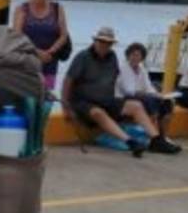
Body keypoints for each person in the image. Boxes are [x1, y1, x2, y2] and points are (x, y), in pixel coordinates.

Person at [62, 28, 181, 156]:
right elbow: (68, 82)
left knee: (136, 105)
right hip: (84, 102)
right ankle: (130, 142)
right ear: (95, 41)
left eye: (108, 43)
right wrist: (66, 107)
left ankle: (156, 140)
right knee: (98, 112)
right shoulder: (83, 57)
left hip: (106, 100)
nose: (104, 45)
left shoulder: (112, 57)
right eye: (101, 41)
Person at [12, 0, 69, 91]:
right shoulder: (22, 9)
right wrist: (37, 52)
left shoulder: (57, 8)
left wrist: (50, 52)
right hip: (27, 59)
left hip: (50, 60)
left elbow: (64, 35)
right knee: (28, 99)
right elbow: (17, 36)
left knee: (46, 99)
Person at [117, 42, 175, 140]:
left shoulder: (142, 69)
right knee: (150, 101)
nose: (135, 57)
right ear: (128, 55)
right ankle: (155, 136)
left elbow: (148, 86)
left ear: (142, 57)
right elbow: (129, 90)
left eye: (138, 55)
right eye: (133, 55)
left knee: (167, 101)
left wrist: (157, 94)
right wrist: (149, 94)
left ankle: (164, 134)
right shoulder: (123, 68)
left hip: (141, 95)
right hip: (125, 97)